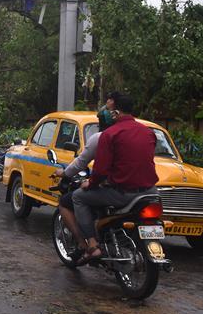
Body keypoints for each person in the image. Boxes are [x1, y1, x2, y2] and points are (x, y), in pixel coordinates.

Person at [71, 92, 158, 265]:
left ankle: (93, 245)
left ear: (116, 112)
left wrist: (90, 183)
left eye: (110, 107)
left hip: (123, 193)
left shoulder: (110, 134)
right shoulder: (149, 133)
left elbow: (100, 170)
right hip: (150, 192)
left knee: (78, 197)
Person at [53, 96, 118, 261]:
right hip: (141, 189)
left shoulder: (99, 138)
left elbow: (81, 163)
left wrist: (65, 173)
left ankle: (88, 243)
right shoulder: (133, 135)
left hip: (114, 188)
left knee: (73, 199)